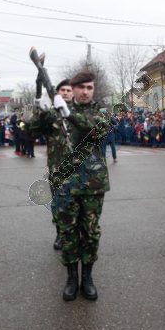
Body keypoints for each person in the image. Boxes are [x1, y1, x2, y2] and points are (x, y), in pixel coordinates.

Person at [50, 71, 110, 301]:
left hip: (93, 183)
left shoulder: (101, 111)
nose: (85, 92)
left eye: (89, 87)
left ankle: (87, 277)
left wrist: (69, 114)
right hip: (65, 184)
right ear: (72, 89)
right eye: (81, 87)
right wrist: (41, 104)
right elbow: (34, 129)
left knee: (91, 232)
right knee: (68, 233)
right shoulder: (58, 110)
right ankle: (71, 278)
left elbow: (97, 129)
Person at [26, 79, 73, 250]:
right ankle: (61, 233)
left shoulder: (80, 113)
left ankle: (76, 234)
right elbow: (32, 131)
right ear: (57, 93)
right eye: (62, 90)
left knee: (78, 203)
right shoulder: (51, 114)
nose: (65, 93)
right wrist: (41, 110)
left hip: (79, 167)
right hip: (57, 167)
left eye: (68, 90)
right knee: (59, 203)